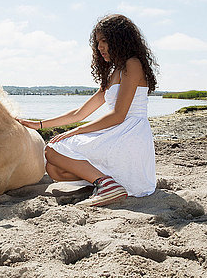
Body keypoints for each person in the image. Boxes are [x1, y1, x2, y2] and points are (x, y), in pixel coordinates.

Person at [18, 14, 158, 207]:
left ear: (120, 39)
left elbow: (119, 115)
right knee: (54, 169)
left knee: (51, 150)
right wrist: (39, 124)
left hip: (129, 135)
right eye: (97, 42)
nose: (100, 47)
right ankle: (104, 183)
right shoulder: (114, 72)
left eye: (104, 41)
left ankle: (105, 184)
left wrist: (77, 131)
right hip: (116, 133)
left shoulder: (132, 64)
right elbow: (79, 113)